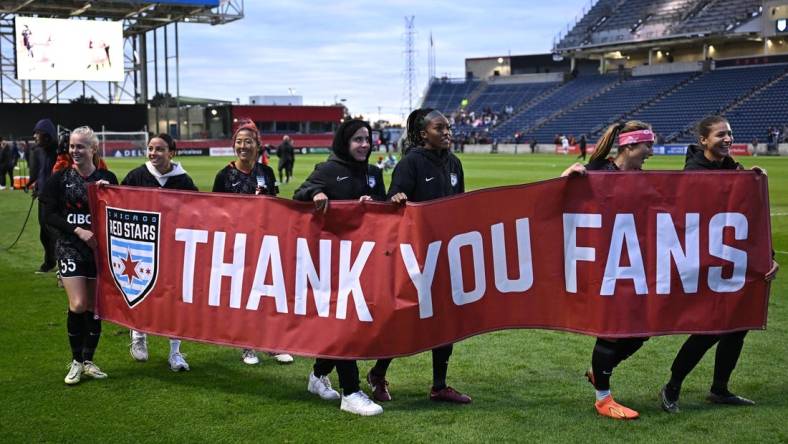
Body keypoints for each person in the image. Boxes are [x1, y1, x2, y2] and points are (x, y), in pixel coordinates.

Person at [659, 116, 780, 413]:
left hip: (731, 262)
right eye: (721, 134)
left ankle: (720, 389)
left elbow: (752, 219)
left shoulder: (735, 170)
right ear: (703, 140)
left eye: (730, 134)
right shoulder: (694, 173)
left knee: (739, 326)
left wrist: (769, 257)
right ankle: (672, 386)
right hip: (703, 264)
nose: (728, 139)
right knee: (710, 327)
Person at [367, 108, 472, 404]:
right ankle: (378, 373)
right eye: (440, 128)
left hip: (445, 252)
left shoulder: (454, 163)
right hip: (414, 257)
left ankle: (439, 386)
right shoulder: (410, 163)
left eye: (448, 127)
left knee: (444, 320)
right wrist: (397, 199)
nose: (447, 132)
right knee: (404, 319)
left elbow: (459, 204)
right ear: (424, 134)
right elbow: (391, 204)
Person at [561, 120, 655, 420]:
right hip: (603, 264)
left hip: (633, 264)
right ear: (629, 146)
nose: (651, 152)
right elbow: (557, 199)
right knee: (612, 329)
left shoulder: (643, 177)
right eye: (647, 146)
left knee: (643, 330)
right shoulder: (597, 172)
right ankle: (603, 398)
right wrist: (566, 176)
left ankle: (599, 372)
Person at [293, 119, 386, 416]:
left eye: (367, 139)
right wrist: (315, 195)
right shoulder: (328, 170)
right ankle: (351, 391)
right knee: (345, 325)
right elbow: (299, 195)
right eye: (358, 139)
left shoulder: (374, 172)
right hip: (333, 265)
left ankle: (318, 376)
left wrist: (374, 204)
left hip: (365, 262)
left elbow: (382, 211)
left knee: (354, 325)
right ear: (345, 142)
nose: (364, 145)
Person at [39, 126, 118, 385]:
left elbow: (120, 212)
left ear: (93, 149)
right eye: (72, 146)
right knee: (78, 305)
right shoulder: (59, 179)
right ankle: (75, 361)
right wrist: (77, 230)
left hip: (98, 250)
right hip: (70, 247)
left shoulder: (107, 178)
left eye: (81, 146)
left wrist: (109, 194)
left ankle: (89, 361)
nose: (75, 151)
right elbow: (48, 216)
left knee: (95, 308)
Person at [212, 120, 293, 366]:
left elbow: (276, 205)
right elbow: (215, 213)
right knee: (243, 294)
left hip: (265, 243)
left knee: (267, 294)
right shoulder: (224, 175)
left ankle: (271, 343)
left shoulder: (266, 173)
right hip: (236, 245)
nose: (243, 146)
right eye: (239, 142)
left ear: (258, 146)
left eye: (248, 142)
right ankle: (247, 345)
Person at [122, 133, 198, 371]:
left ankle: (175, 352)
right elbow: (117, 200)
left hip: (173, 249)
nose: (153, 153)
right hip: (141, 248)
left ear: (171, 153)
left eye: (159, 149)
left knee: (174, 298)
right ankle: (138, 334)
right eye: (150, 148)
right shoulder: (137, 175)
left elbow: (200, 211)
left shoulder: (183, 180)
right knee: (141, 290)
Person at [29, 118, 59, 273]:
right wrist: (36, 186)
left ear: (47, 135)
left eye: (37, 133)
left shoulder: (58, 152)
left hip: (55, 199)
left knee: (54, 232)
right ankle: (50, 262)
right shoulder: (39, 151)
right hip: (42, 197)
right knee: (44, 233)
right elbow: (42, 173)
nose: (34, 136)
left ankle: (64, 264)